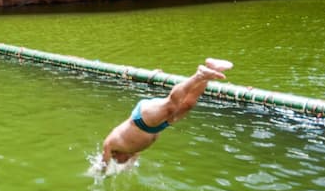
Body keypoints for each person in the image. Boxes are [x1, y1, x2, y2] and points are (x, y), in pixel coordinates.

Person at [100, 58, 233, 167]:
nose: (120, 162)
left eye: (118, 161)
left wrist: (98, 173)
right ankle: (211, 69)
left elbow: (102, 164)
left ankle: (198, 75)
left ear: (115, 155)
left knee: (171, 104)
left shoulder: (111, 144)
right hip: (160, 125)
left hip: (142, 119)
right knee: (188, 104)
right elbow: (129, 166)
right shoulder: (132, 151)